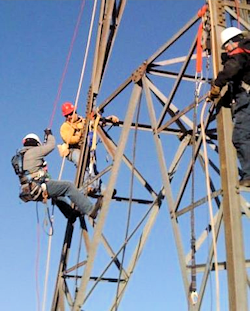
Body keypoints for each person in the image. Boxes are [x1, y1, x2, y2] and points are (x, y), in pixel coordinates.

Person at [12, 129, 102, 222]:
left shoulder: (17, 158)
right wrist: (49, 135)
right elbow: (51, 146)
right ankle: (90, 210)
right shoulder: (34, 151)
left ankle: (70, 214)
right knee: (68, 186)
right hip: (37, 187)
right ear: (36, 143)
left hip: (27, 190)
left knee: (58, 193)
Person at [207, 27, 250, 186]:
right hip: (243, 96)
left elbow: (232, 68)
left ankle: (248, 175)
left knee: (241, 136)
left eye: (226, 47)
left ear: (232, 43)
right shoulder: (246, 51)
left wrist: (217, 84)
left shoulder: (239, 53)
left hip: (247, 99)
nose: (226, 50)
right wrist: (221, 100)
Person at [58, 102, 119, 194]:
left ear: (75, 112)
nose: (69, 117)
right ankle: (87, 186)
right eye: (67, 115)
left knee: (92, 168)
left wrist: (109, 119)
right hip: (73, 150)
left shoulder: (84, 121)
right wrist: (79, 137)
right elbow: (68, 139)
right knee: (81, 162)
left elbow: (96, 123)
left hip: (86, 149)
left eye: (71, 114)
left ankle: (103, 189)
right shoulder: (65, 127)